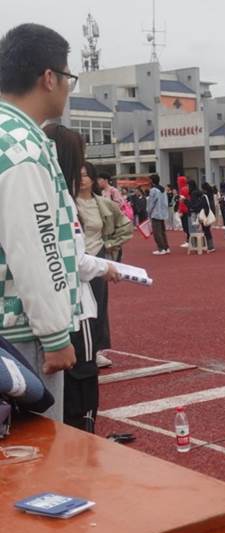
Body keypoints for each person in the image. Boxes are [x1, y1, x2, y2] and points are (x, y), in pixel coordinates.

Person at [0, 24, 86, 420]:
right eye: (69, 77)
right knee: (36, 450)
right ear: (49, 77)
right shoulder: (22, 145)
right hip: (21, 334)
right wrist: (54, 335)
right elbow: (36, 244)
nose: (68, 88)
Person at [43, 123, 119, 432]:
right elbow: (72, 259)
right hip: (74, 306)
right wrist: (105, 268)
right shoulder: (61, 198)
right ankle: (82, 439)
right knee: (82, 381)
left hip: (49, 307)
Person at [75, 161, 133, 369]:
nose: (82, 179)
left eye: (85, 175)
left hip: (97, 255)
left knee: (98, 302)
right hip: (76, 258)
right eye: (78, 175)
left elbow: (126, 226)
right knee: (77, 303)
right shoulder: (68, 203)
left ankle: (97, 350)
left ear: (94, 179)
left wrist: (110, 244)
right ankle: (77, 347)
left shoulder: (104, 204)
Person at [187, 185, 216, 253]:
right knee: (207, 231)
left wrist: (187, 202)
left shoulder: (202, 199)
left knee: (206, 231)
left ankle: (210, 246)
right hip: (206, 215)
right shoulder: (205, 197)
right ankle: (208, 245)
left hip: (204, 216)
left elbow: (196, 207)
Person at [147, 173, 170, 255]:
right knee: (162, 231)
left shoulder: (153, 190)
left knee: (157, 232)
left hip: (155, 213)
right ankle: (166, 247)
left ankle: (161, 248)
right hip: (162, 213)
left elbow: (151, 203)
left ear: (152, 181)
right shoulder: (163, 189)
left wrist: (149, 212)